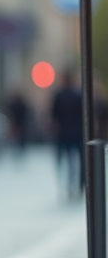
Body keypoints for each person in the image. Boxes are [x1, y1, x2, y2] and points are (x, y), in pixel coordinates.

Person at [51, 69, 83, 198]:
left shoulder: (59, 95)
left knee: (63, 160)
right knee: (77, 161)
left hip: (63, 133)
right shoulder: (78, 95)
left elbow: (53, 115)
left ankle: (67, 184)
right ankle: (77, 185)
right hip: (76, 133)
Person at [4, 86, 31, 156]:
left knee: (19, 137)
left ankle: (19, 148)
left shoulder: (19, 105)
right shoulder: (17, 105)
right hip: (19, 122)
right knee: (17, 137)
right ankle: (18, 149)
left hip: (20, 123)